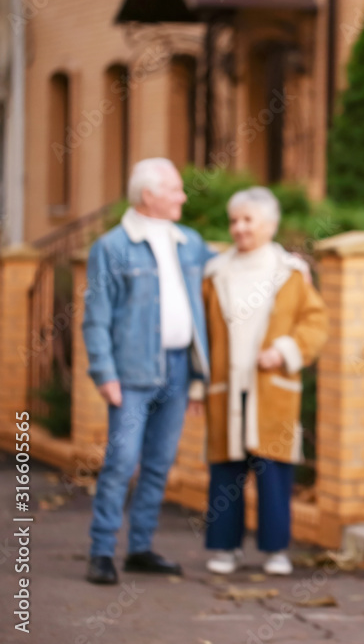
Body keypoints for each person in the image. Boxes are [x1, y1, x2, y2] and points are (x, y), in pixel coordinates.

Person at [83, 158, 213, 585]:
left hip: (178, 368)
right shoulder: (112, 247)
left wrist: (290, 265)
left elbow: (226, 269)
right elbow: (95, 316)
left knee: (159, 464)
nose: (183, 196)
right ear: (149, 196)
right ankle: (102, 551)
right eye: (175, 189)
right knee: (121, 462)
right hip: (132, 373)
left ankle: (140, 547)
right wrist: (104, 374)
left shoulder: (189, 242)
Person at [200, 187, 327, 576]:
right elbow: (202, 333)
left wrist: (285, 350)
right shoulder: (215, 273)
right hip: (226, 385)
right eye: (234, 220)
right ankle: (224, 548)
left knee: (273, 471)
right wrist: (195, 383)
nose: (239, 228)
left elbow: (316, 322)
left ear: (269, 225)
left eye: (248, 220)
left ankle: (276, 550)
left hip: (271, 386)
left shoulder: (289, 273)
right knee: (226, 470)